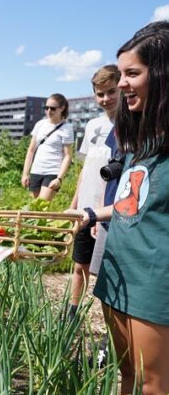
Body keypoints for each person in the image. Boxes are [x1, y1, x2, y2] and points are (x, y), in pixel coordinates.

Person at [83, 23, 169, 395]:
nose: (122, 85)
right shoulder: (141, 135)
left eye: (132, 74)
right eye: (121, 75)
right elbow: (131, 202)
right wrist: (88, 213)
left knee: (156, 391)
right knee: (128, 376)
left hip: (155, 279)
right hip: (118, 272)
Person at [67, 65, 120, 317]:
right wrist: (75, 203)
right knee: (79, 265)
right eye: (100, 94)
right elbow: (86, 168)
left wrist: (99, 213)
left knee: (101, 273)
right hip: (84, 209)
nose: (105, 99)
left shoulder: (128, 125)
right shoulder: (92, 125)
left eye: (111, 92)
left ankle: (106, 323)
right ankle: (72, 313)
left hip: (104, 212)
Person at [21, 93, 74, 201]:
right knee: (33, 208)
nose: (49, 111)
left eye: (53, 108)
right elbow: (31, 151)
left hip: (52, 171)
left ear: (62, 108)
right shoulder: (40, 124)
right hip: (36, 170)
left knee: (41, 206)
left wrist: (59, 178)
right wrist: (25, 173)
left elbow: (68, 156)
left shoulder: (67, 128)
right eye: (46, 108)